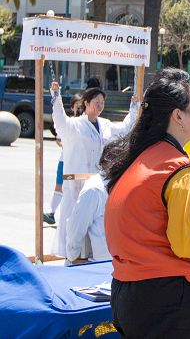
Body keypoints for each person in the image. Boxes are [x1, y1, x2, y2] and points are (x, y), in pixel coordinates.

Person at [100, 68, 190, 338]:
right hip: (163, 296)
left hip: (127, 290)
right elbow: (185, 243)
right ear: (178, 116)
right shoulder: (177, 168)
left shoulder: (141, 158)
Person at [50, 82, 139, 259]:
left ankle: (89, 258)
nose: (99, 106)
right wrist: (56, 96)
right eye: (96, 102)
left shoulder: (105, 124)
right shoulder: (74, 125)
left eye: (102, 103)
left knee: (94, 225)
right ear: (86, 103)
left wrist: (134, 108)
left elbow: (125, 128)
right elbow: (59, 120)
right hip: (75, 183)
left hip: (95, 185)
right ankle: (72, 257)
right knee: (74, 225)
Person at [43, 93, 83, 225]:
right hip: (64, 161)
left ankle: (75, 216)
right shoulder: (68, 122)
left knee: (74, 188)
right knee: (59, 185)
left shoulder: (86, 123)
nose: (80, 109)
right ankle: (51, 212)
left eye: (82, 106)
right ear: (72, 108)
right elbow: (59, 139)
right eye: (77, 106)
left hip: (77, 163)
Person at [65, 173, 111, 264]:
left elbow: (76, 228)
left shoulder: (95, 188)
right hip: (121, 263)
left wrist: (71, 256)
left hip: (105, 265)